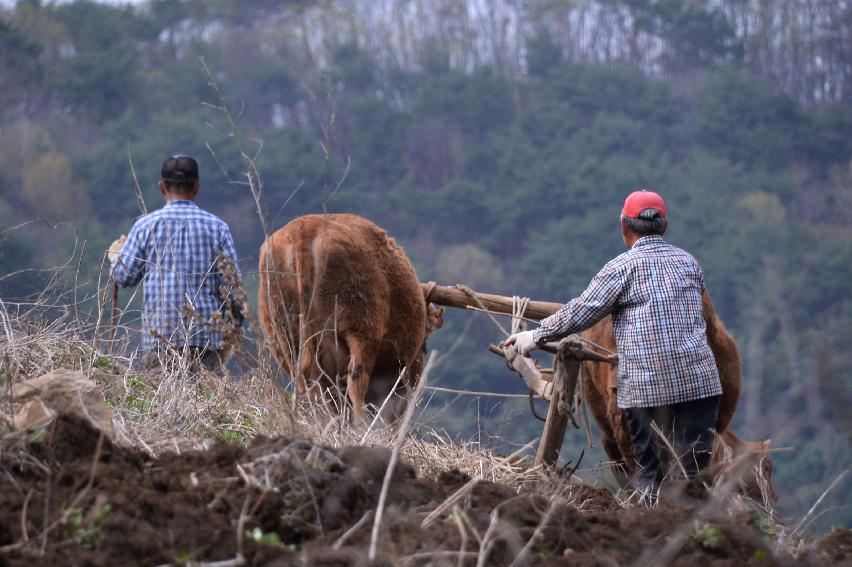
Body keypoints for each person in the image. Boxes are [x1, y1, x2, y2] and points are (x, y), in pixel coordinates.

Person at [503, 190, 722, 492]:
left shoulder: (620, 268)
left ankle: (654, 524)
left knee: (650, 476)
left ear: (624, 227)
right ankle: (696, 531)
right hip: (699, 386)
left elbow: (582, 311)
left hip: (647, 389)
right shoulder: (689, 263)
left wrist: (534, 335)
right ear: (664, 226)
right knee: (693, 475)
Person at [107, 154, 244, 372]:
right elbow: (234, 293)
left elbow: (124, 276)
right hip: (206, 338)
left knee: (162, 404)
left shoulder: (145, 226)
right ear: (196, 187)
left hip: (159, 338)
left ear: (162, 187)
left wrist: (115, 256)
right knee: (206, 403)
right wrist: (234, 327)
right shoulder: (218, 228)